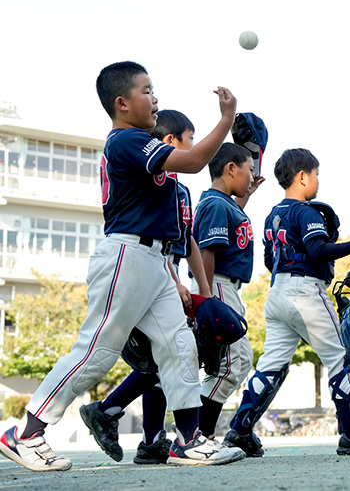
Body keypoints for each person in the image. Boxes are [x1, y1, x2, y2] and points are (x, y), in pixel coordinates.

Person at [0, 61, 243, 471]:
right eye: (146, 90)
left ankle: (187, 440)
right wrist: (227, 119)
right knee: (97, 349)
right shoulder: (126, 140)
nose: (155, 98)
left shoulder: (137, 141)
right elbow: (195, 161)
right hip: (126, 256)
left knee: (178, 345)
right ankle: (25, 433)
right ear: (122, 103)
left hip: (154, 260)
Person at [224, 148, 350, 457]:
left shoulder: (273, 214)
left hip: (277, 293)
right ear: (302, 176)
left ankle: (239, 429)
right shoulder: (306, 211)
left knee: (269, 367)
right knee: (342, 359)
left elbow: (270, 259)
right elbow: (317, 250)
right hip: (305, 292)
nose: (317, 179)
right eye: (315, 174)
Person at [78, 109, 213, 465]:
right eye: (189, 138)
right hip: (141, 271)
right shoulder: (154, 175)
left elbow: (186, 240)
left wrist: (200, 287)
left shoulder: (178, 189)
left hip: (163, 275)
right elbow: (150, 242)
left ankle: (140, 431)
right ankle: (111, 414)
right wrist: (175, 281)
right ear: (169, 143)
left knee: (167, 355)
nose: (192, 145)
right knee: (155, 356)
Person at [191, 142, 264, 438]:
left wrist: (246, 194)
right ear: (230, 168)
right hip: (217, 284)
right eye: (248, 169)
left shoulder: (223, 203)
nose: (251, 176)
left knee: (226, 363)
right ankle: (199, 434)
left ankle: (197, 433)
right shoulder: (217, 204)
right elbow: (208, 251)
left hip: (223, 286)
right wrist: (207, 298)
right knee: (235, 362)